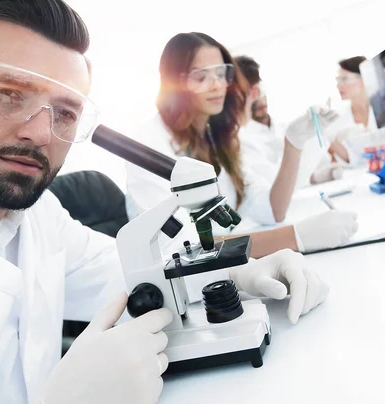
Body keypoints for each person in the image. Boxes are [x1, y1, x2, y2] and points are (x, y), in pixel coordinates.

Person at [0, 2, 329, 404]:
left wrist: (240, 271)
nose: (40, 132)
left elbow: (126, 273)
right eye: (9, 94)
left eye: (65, 112)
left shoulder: (33, 215)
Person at [125, 32, 359, 259]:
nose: (217, 85)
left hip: (230, 271)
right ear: (174, 82)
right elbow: (186, 248)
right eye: (201, 76)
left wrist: (293, 143)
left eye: (221, 73)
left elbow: (272, 209)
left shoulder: (215, 139)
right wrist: (295, 237)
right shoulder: (146, 145)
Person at [234, 55, 342, 185]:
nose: (261, 100)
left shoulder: (282, 127)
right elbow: (275, 186)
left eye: (262, 92)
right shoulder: (242, 139)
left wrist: (315, 134)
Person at [326, 56, 378, 165]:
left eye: (344, 79)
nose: (338, 85)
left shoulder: (382, 107)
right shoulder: (337, 119)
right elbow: (334, 158)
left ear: (364, 77)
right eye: (338, 79)